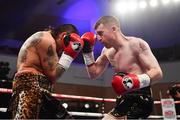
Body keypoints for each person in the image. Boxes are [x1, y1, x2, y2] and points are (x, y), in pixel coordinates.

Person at [81, 16, 163, 119]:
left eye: (101, 33)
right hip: (123, 99)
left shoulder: (136, 44)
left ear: (114, 29)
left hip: (140, 98)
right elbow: (93, 73)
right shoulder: (106, 51)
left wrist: (133, 81)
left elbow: (157, 73)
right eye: (97, 35)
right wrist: (87, 52)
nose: (98, 38)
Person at [8, 24, 84, 119]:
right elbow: (53, 75)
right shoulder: (47, 41)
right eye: (65, 46)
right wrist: (68, 56)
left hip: (36, 90)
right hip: (31, 88)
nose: (63, 50)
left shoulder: (47, 39)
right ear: (63, 36)